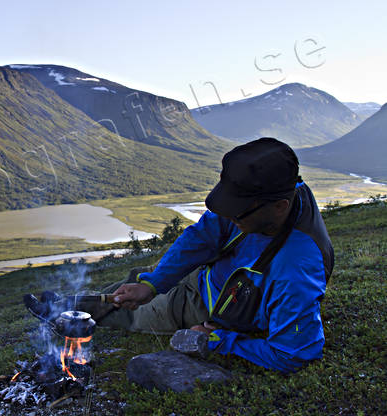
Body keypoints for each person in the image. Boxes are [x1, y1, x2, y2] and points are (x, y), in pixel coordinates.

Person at [27, 138, 333, 373]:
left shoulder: (297, 269)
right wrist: (155, 283)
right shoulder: (274, 191)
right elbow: (202, 235)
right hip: (207, 276)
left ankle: (68, 320)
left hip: (209, 307)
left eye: (236, 214)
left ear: (279, 206)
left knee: (134, 311)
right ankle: (67, 306)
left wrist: (217, 340)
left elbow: (294, 354)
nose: (229, 218)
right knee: (137, 281)